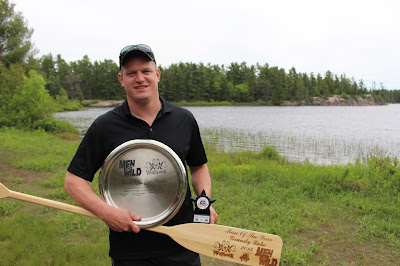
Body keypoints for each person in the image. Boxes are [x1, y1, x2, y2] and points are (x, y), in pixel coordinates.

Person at [64, 44, 218, 265]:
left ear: (157, 74)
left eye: (145, 71)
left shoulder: (184, 120)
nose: (140, 78)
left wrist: (204, 202)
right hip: (130, 249)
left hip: (183, 244)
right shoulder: (105, 126)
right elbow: (73, 181)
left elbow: (198, 166)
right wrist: (105, 211)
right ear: (121, 79)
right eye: (131, 73)